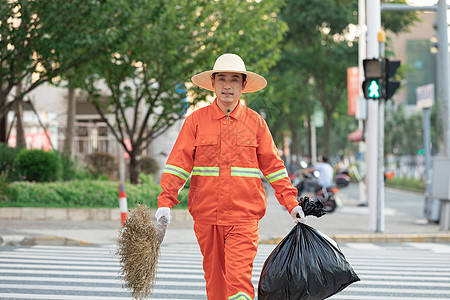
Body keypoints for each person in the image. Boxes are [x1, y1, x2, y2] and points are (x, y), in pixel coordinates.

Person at [155, 53, 304, 300]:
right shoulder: (196, 122)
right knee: (215, 285)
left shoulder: (256, 123)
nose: (227, 85)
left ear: (243, 85)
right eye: (222, 79)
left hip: (243, 217)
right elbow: (178, 165)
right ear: (213, 83)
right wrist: (165, 203)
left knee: (238, 282)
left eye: (234, 79)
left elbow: (274, 167)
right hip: (206, 217)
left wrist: (292, 203)